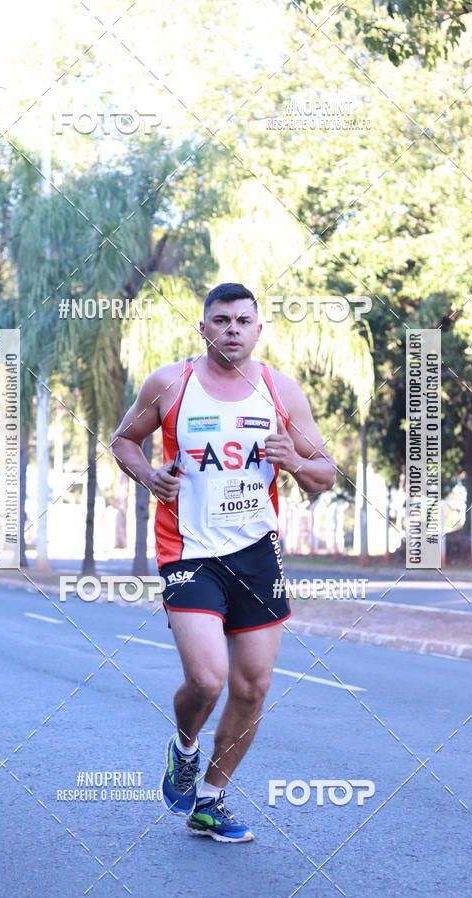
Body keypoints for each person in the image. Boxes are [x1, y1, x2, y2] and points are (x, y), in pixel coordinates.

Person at [111, 282, 336, 842]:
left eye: (243, 320)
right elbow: (123, 441)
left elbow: (326, 472)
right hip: (188, 551)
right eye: (221, 320)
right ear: (203, 328)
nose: (232, 328)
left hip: (256, 554)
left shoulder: (281, 392)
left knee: (253, 687)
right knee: (208, 678)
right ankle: (184, 748)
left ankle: (210, 801)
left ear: (259, 330)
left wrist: (294, 462)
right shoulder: (170, 384)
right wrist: (150, 477)